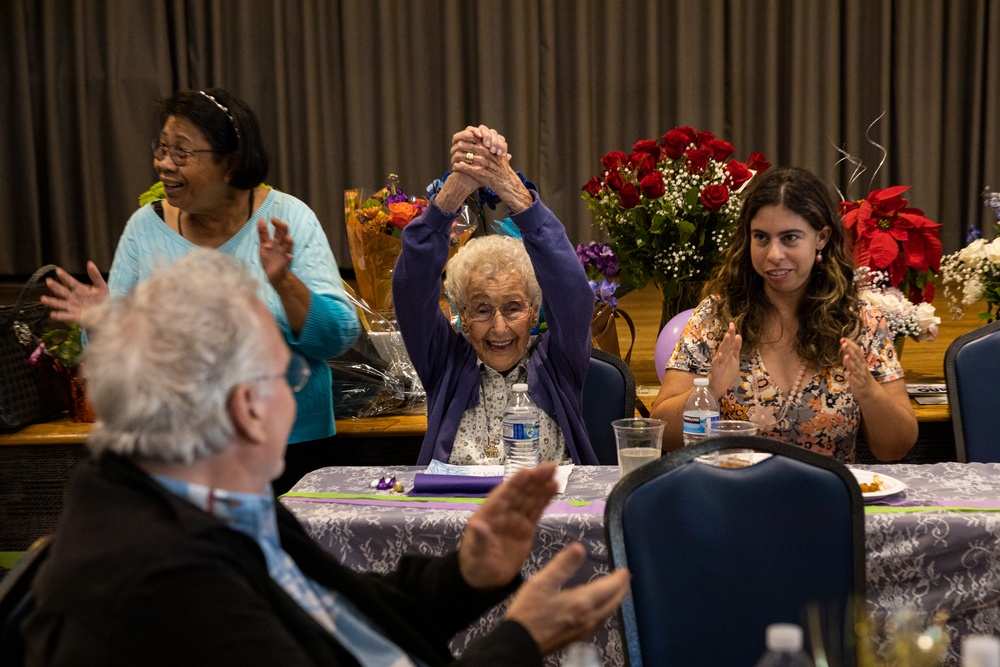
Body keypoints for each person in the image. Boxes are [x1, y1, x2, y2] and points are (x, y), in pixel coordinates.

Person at [22, 250, 630, 666]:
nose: (299, 391)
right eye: (289, 375)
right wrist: (522, 641)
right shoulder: (163, 585)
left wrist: (465, 574)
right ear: (247, 409)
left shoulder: (216, 503)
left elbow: (347, 608)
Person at [39, 88, 360, 491]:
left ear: (230, 162)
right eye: (162, 148)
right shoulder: (144, 228)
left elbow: (338, 337)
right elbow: (115, 361)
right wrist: (102, 323)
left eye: (181, 153)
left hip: (289, 445)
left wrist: (284, 283)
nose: (163, 164)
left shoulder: (287, 218)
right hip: (178, 450)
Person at [651, 167, 917, 461]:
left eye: (790, 238)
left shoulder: (861, 322)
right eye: (761, 238)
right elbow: (663, 434)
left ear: (822, 237)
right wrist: (710, 392)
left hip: (826, 500)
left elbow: (895, 448)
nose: (774, 254)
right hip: (732, 494)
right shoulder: (715, 317)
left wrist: (869, 392)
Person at [393, 126, 599, 466]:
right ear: (460, 313)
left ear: (535, 312)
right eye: (482, 310)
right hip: (457, 518)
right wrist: (456, 188)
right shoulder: (444, 362)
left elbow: (572, 291)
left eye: (514, 307)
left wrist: (509, 187)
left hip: (548, 515)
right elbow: (410, 287)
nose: (499, 327)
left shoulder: (559, 362)